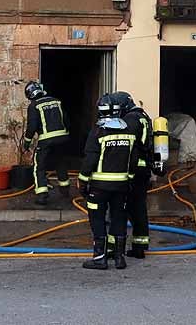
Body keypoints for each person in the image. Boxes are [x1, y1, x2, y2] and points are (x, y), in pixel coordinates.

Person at [78, 92, 136, 270]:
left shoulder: (97, 132)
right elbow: (133, 161)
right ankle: (119, 258)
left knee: (97, 220)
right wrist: (130, 180)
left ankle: (100, 258)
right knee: (119, 218)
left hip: (99, 188)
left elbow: (90, 160)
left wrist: (82, 181)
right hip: (121, 187)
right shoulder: (128, 131)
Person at [116, 92, 157, 259]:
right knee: (139, 208)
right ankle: (140, 246)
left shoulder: (130, 120)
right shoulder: (143, 117)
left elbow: (128, 145)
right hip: (145, 169)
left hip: (134, 170)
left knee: (123, 208)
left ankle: (114, 248)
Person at [22, 80, 70, 206]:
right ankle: (65, 191)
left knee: (39, 165)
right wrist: (66, 133)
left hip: (46, 139)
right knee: (60, 163)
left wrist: (27, 142)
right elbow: (66, 119)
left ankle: (42, 195)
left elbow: (32, 126)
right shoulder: (56, 101)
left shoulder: (34, 105)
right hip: (62, 137)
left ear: (29, 94)